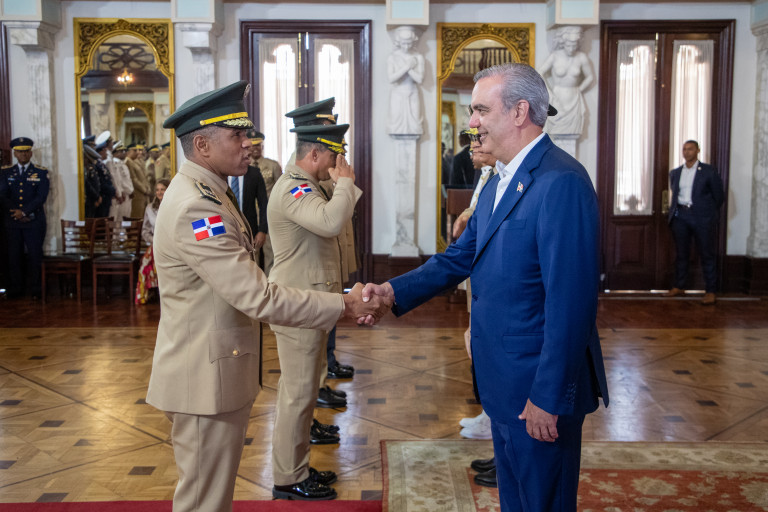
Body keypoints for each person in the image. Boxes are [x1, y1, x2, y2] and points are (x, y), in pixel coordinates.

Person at [362, 63, 609, 512]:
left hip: (537, 389)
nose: (472, 122)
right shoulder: (500, 181)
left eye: (480, 110)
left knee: (543, 503)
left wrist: (548, 396)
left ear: (519, 112)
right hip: (502, 381)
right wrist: (392, 293)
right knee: (515, 501)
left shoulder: (562, 182)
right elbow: (458, 257)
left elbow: (571, 305)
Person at [145, 80, 387, 512]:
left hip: (216, 371)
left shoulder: (212, 193)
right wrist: (344, 304)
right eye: (237, 135)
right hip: (203, 378)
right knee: (204, 501)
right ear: (202, 145)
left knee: (212, 498)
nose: (249, 143)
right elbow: (256, 296)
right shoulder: (196, 207)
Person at [268, 122, 361, 501]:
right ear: (314, 154)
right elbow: (330, 221)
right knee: (297, 394)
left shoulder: (306, 185)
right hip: (298, 306)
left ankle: (297, 467)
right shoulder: (295, 187)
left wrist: (341, 185)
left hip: (309, 304)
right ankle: (288, 478)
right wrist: (345, 182)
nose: (339, 163)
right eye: (334, 156)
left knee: (304, 392)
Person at [665, 140, 724, 305]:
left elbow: (719, 196)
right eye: (684, 149)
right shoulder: (675, 172)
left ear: (698, 150)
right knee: (681, 253)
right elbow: (675, 193)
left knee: (706, 253)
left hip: (701, 218)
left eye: (690, 149)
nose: (686, 152)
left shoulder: (708, 171)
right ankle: (679, 286)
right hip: (681, 217)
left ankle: (710, 291)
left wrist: (707, 213)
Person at [0, 137, 49, 300]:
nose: (23, 155)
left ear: (31, 153)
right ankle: (16, 289)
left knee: (35, 255)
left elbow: (41, 197)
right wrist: (16, 212)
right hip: (12, 221)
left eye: (26, 151)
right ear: (15, 153)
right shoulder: (6, 172)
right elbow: (3, 195)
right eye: (20, 152)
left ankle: (36, 289)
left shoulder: (41, 172)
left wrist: (24, 212)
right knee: (14, 256)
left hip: (34, 221)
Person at [539, 26, 594, 135]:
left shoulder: (581, 57)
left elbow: (590, 77)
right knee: (555, 131)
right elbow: (540, 72)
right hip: (557, 97)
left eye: (574, 45)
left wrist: (579, 89)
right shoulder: (555, 56)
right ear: (563, 43)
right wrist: (548, 92)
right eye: (568, 45)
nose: (571, 48)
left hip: (574, 98)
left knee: (573, 133)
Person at [248, 129, 282, 274]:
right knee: (251, 252)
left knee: (270, 252)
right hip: (250, 214)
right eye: (252, 145)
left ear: (262, 146)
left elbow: (280, 190)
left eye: (258, 145)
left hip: (269, 213)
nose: (255, 148)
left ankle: (271, 281)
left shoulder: (272, 165)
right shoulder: (243, 167)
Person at [234, 129, 269, 262]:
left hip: (251, 229)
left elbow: (263, 203)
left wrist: (262, 230)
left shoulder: (254, 173)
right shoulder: (222, 174)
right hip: (229, 229)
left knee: (253, 262)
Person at [135, 178, 170, 305]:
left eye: (162, 190)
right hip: (155, 245)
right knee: (145, 264)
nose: (159, 192)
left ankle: (168, 295)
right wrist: (153, 241)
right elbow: (145, 230)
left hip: (170, 245)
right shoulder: (150, 208)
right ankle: (147, 294)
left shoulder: (174, 206)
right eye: (157, 190)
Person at [387, 25, 424, 135]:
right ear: (398, 42)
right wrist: (407, 67)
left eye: (409, 43)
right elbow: (391, 78)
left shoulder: (418, 57)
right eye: (403, 43)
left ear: (413, 42)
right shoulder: (392, 57)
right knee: (396, 128)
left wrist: (408, 69)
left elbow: (419, 79)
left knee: (415, 127)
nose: (406, 47)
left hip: (412, 93)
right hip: (397, 94)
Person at [107, 142, 133, 221]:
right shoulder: (115, 163)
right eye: (121, 151)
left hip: (127, 194)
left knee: (125, 218)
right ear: (115, 153)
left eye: (124, 151)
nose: (124, 153)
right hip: (123, 194)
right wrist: (124, 191)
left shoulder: (122, 163)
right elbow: (119, 180)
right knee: (119, 220)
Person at [127, 144, 152, 218]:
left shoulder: (141, 161)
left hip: (144, 194)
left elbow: (145, 178)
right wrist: (144, 190)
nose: (138, 152)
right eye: (135, 150)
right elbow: (134, 179)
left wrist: (148, 188)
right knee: (137, 216)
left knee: (144, 216)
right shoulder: (129, 162)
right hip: (138, 193)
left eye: (141, 150)